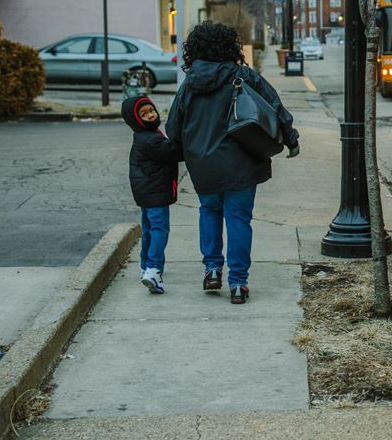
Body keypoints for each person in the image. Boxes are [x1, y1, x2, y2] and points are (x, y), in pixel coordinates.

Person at [166, 22, 299, 305]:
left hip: (203, 164)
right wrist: (290, 138)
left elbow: (174, 126)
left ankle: (212, 269)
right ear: (230, 47)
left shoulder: (189, 84)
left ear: (195, 49)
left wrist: (179, 152)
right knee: (238, 218)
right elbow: (274, 107)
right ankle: (238, 283)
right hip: (241, 161)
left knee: (209, 211)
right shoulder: (243, 76)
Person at [121, 95, 182, 295]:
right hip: (155, 193)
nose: (149, 115)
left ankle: (145, 265)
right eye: (143, 114)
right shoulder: (151, 140)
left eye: (150, 111)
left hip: (146, 193)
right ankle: (154, 270)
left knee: (148, 229)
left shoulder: (145, 135)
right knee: (159, 230)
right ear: (135, 120)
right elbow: (174, 152)